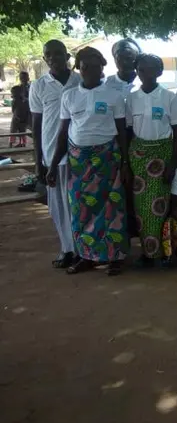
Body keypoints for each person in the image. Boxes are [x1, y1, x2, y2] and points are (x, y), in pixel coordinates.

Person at [46, 47, 130, 276]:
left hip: (107, 159)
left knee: (112, 208)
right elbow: (63, 133)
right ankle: (86, 256)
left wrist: (125, 163)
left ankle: (114, 256)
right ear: (79, 69)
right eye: (85, 67)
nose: (90, 71)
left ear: (102, 68)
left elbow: (122, 131)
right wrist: (52, 165)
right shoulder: (69, 96)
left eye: (95, 67)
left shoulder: (113, 95)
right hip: (78, 162)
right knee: (80, 209)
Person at [125, 53, 177, 265]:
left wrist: (173, 163)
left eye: (150, 69)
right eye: (140, 69)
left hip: (163, 156)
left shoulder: (169, 97)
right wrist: (127, 163)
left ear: (159, 71)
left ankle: (163, 251)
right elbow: (129, 131)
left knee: (161, 206)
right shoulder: (132, 99)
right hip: (139, 158)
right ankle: (148, 252)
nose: (145, 73)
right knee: (141, 208)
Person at [29, 40, 82, 268]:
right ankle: (67, 248)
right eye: (48, 55)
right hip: (53, 156)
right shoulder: (39, 86)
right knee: (58, 205)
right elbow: (36, 125)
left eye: (58, 53)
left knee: (79, 203)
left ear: (67, 56)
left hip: (80, 153)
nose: (53, 58)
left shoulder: (80, 81)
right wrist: (39, 161)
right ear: (44, 59)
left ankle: (82, 249)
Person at [9, 74, 30, 147]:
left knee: (22, 129)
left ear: (28, 78)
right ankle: (14, 143)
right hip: (20, 114)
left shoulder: (30, 87)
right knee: (15, 129)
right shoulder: (18, 88)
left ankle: (21, 143)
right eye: (21, 78)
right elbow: (13, 109)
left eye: (24, 78)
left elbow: (13, 109)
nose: (22, 79)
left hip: (25, 113)